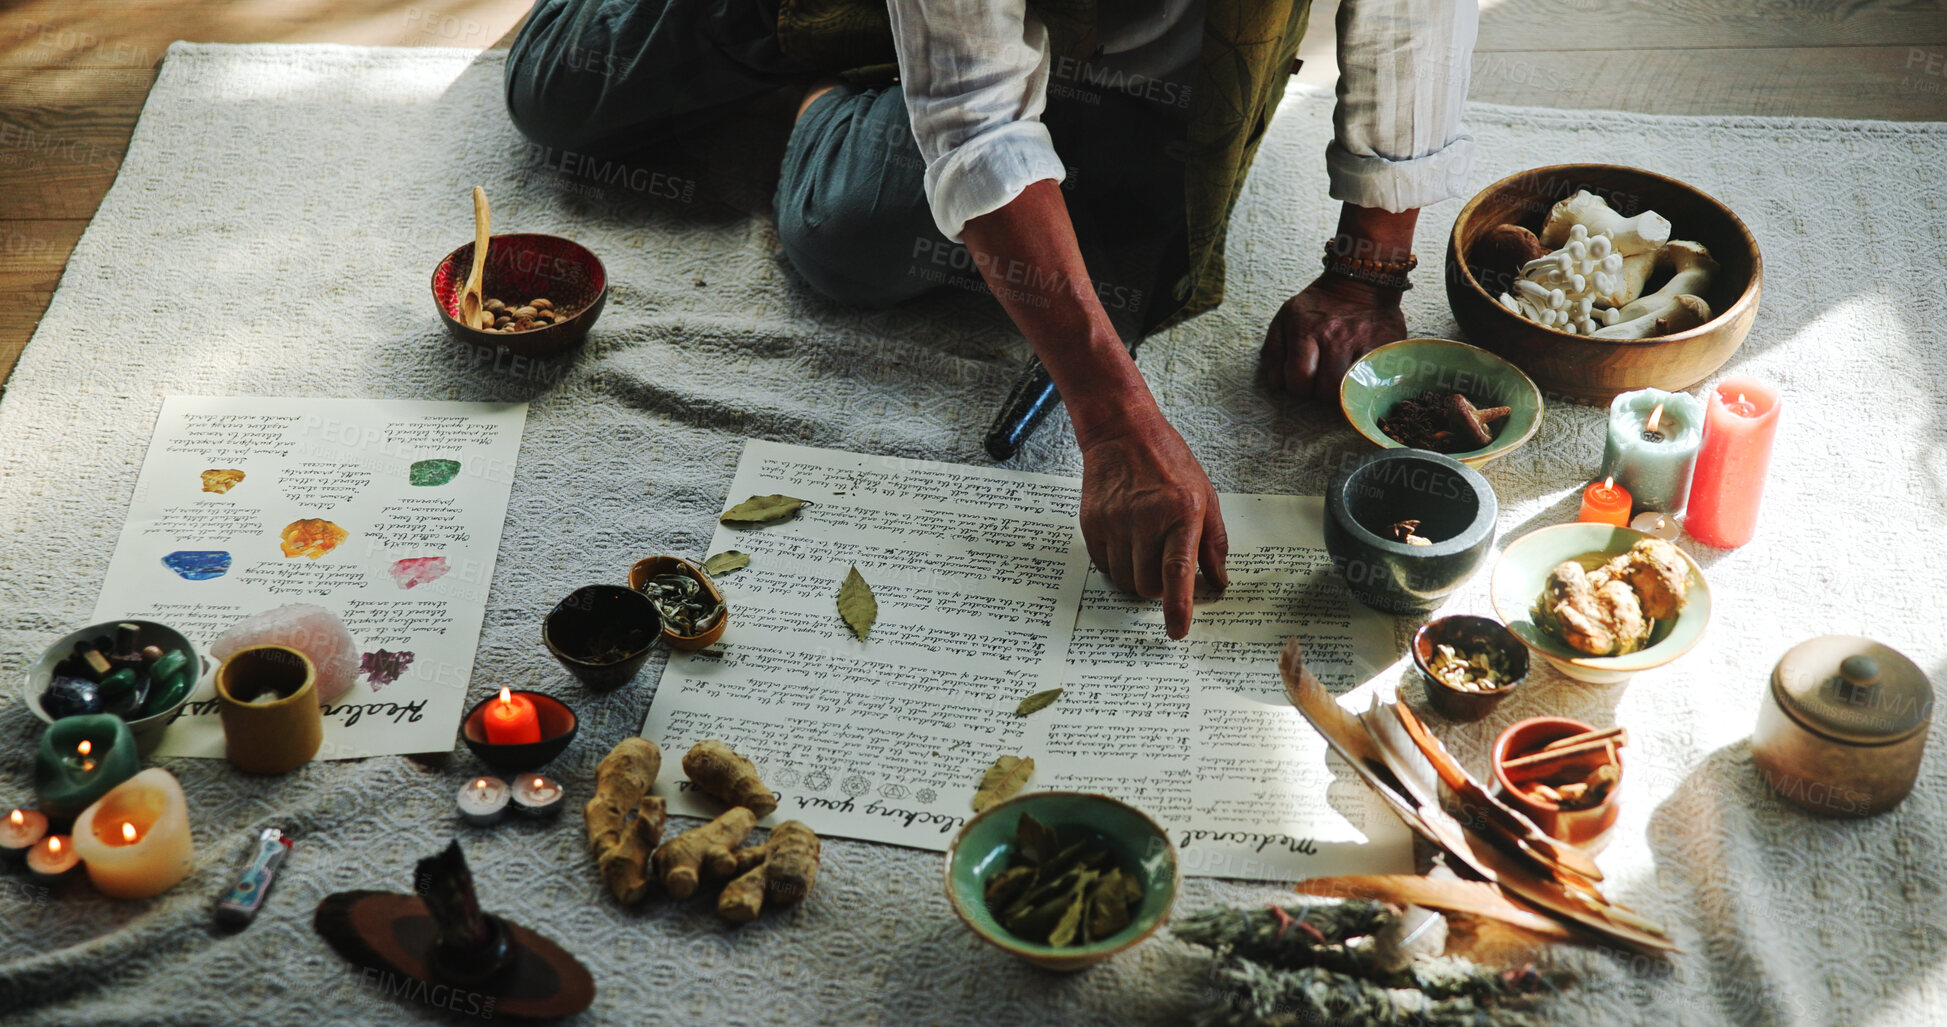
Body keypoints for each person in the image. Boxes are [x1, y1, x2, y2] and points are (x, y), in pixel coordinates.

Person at [505, 0, 1479, 639]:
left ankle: (873, 99)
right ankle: (830, 74)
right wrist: (1115, 419)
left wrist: (1369, 268)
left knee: (871, 224)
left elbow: (1416, 13)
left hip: (1138, 52)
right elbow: (978, 120)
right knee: (558, 90)